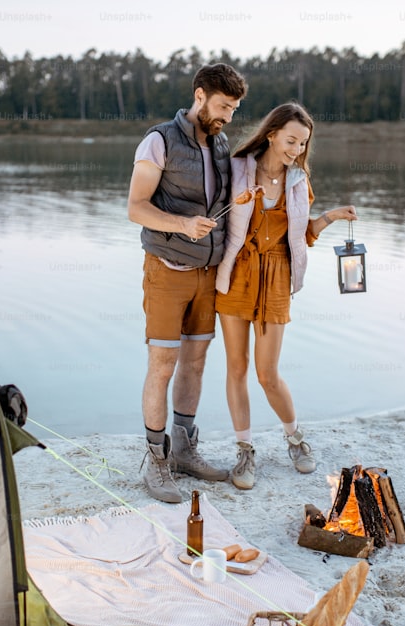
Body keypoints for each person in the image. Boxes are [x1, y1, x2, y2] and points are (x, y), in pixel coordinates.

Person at [214, 102, 358, 490]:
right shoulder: (238, 167)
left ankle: (294, 438)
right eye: (291, 140)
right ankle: (244, 450)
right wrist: (239, 203)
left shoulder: (298, 180)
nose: (296, 149)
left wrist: (331, 217)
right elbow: (216, 213)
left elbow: (303, 234)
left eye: (302, 144)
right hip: (238, 272)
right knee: (237, 367)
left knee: (267, 373)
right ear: (272, 133)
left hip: (277, 277)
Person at [127, 63, 248, 503]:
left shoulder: (221, 143)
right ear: (200, 96)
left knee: (195, 364)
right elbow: (136, 208)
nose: (228, 117)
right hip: (166, 271)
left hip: (208, 274)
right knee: (162, 365)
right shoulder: (158, 140)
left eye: (234, 109)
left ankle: (183, 453)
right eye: (222, 106)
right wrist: (181, 225)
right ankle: (156, 462)